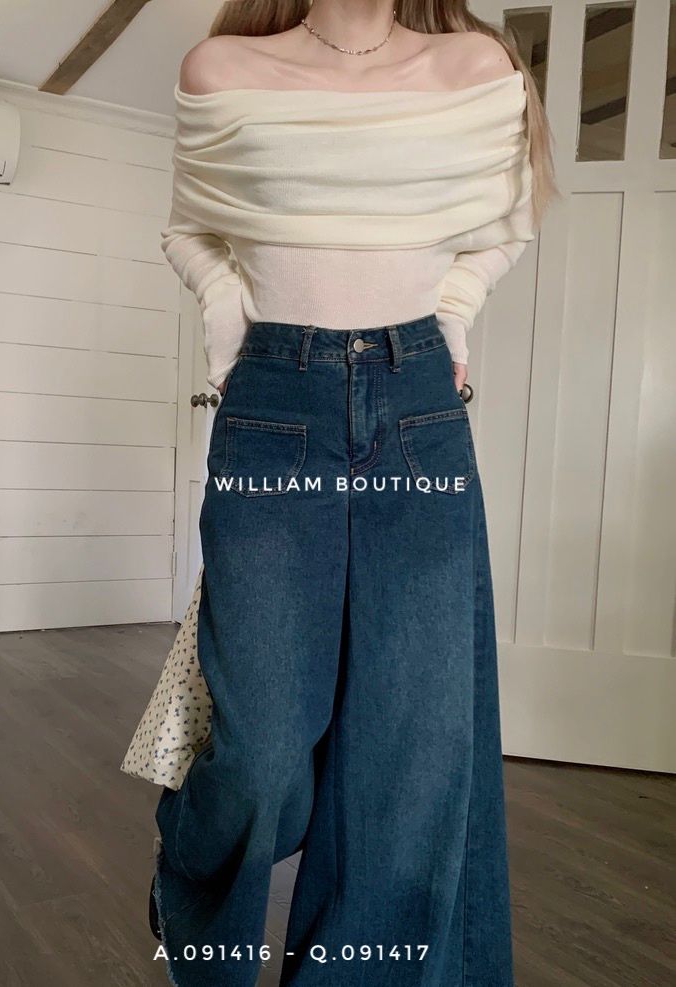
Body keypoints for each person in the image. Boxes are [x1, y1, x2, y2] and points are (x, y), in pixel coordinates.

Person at [148, 2, 556, 984]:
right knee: (255, 754)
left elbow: (509, 219)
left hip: (417, 406)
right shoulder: (221, 69)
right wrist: (226, 316)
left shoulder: (474, 67)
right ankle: (192, 914)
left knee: (406, 766)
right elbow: (192, 230)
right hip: (273, 404)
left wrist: (451, 313)